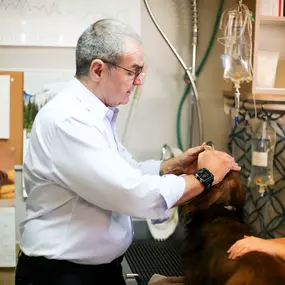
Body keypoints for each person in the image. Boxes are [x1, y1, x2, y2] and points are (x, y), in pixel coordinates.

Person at [15, 19, 240, 285]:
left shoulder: (95, 115)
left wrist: (176, 166)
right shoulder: (70, 121)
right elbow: (132, 194)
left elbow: (127, 171)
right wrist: (205, 177)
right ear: (98, 69)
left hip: (94, 271)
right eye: (133, 71)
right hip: (62, 275)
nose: (139, 81)